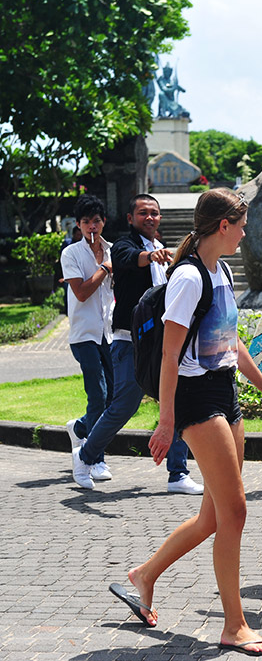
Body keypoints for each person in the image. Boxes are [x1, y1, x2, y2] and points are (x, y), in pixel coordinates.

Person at [113, 188, 262, 656]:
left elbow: (233, 344)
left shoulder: (222, 270)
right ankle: (234, 625)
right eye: (242, 223)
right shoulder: (189, 278)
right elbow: (171, 355)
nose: (246, 231)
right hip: (195, 400)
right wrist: (166, 420)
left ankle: (143, 576)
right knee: (235, 513)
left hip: (225, 393)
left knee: (213, 517)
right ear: (224, 225)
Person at [71, 194, 203, 494]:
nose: (150, 218)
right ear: (130, 218)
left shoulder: (163, 248)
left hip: (162, 343)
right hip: (129, 341)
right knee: (123, 406)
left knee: (177, 400)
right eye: (143, 213)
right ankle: (86, 455)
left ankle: (177, 474)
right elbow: (129, 260)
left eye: (155, 213)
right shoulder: (122, 246)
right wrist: (149, 258)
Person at [61, 195, 114, 482]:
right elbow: (81, 292)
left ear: (103, 221)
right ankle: (93, 459)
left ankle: (80, 429)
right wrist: (104, 269)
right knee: (99, 395)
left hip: (110, 333)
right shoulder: (71, 254)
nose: (92, 227)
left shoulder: (113, 249)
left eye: (96, 221)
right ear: (78, 225)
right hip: (84, 334)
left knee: (115, 396)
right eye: (85, 222)